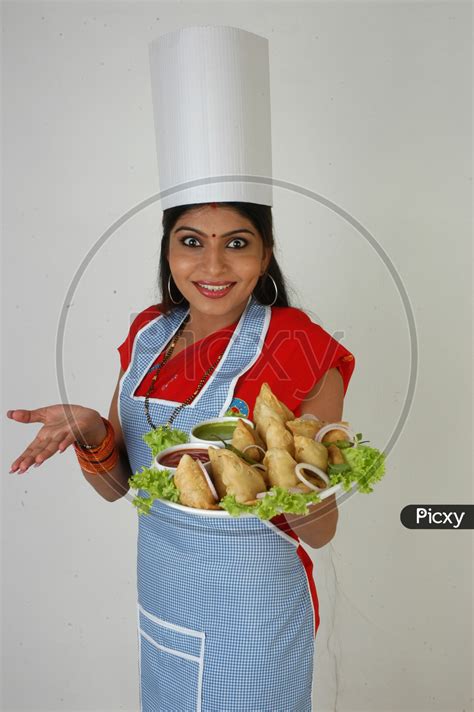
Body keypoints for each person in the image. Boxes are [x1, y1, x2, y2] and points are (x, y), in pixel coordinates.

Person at [7, 199, 355, 711]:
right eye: (191, 241)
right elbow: (119, 486)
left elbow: (321, 533)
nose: (212, 267)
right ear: (168, 253)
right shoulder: (150, 334)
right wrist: (91, 432)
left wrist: (283, 467)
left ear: (266, 255)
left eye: (237, 243)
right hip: (165, 590)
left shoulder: (301, 346)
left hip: (250, 614)